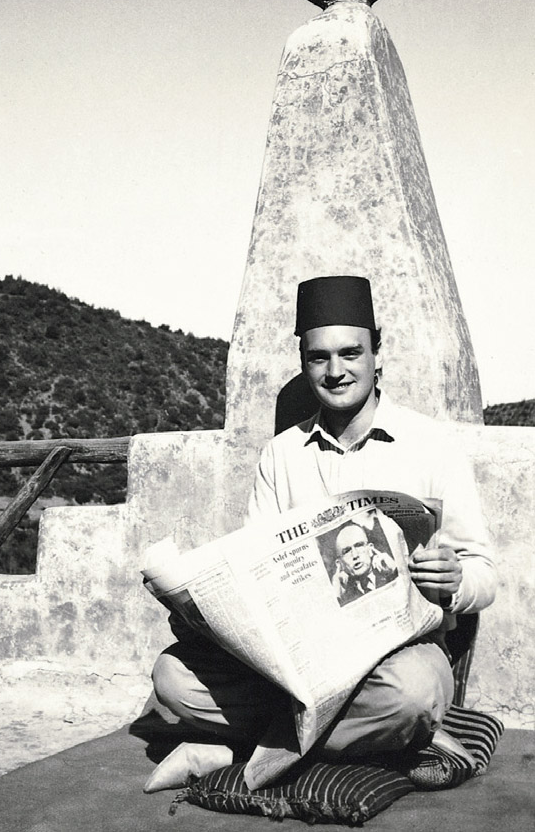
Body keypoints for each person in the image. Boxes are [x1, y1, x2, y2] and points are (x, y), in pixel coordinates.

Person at [145, 275, 496, 793]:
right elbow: (258, 572)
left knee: (416, 695)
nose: (335, 372)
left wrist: (456, 580)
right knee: (172, 680)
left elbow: (485, 575)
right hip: (298, 667)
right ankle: (372, 746)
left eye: (351, 352)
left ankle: (241, 749)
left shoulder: (430, 446)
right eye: (318, 357)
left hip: (392, 661)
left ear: (378, 352)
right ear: (304, 360)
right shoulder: (281, 455)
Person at [332, 522, 398, 605]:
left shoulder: (391, 573)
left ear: (370, 548)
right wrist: (337, 595)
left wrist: (396, 570)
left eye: (359, 545)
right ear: (339, 563)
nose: (355, 555)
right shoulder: (344, 596)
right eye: (347, 551)